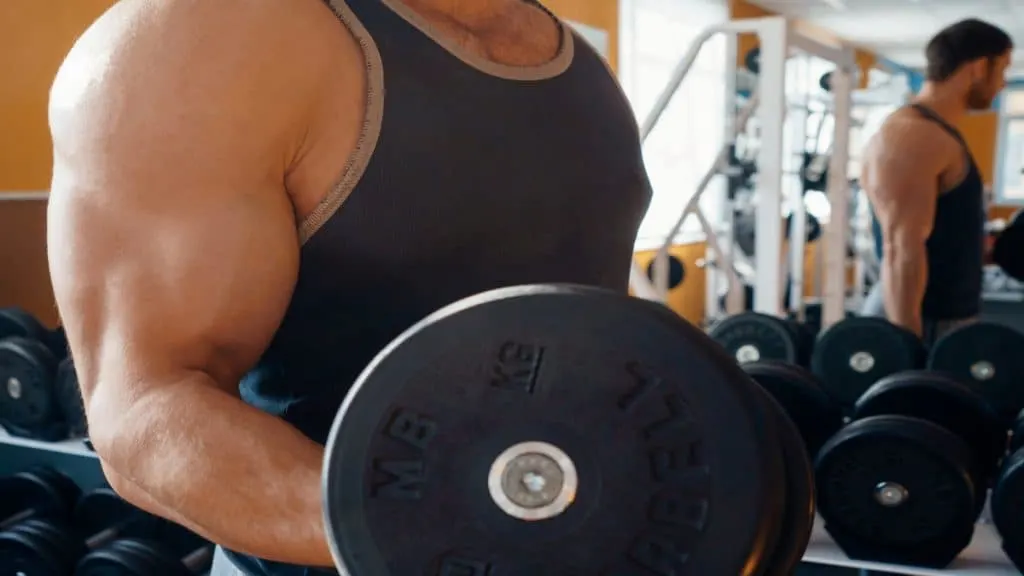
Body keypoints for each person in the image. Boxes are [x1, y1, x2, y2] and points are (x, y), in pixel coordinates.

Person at [45, 0, 652, 574]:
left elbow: (594, 334)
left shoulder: (579, 63)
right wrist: (464, 538)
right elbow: (145, 411)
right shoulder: (213, 35)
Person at [860, 18, 1013, 342]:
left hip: (946, 319)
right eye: (1002, 69)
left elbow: (938, 233)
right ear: (978, 68)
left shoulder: (938, 134)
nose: (1002, 83)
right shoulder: (913, 134)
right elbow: (900, 247)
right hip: (921, 322)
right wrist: (905, 344)